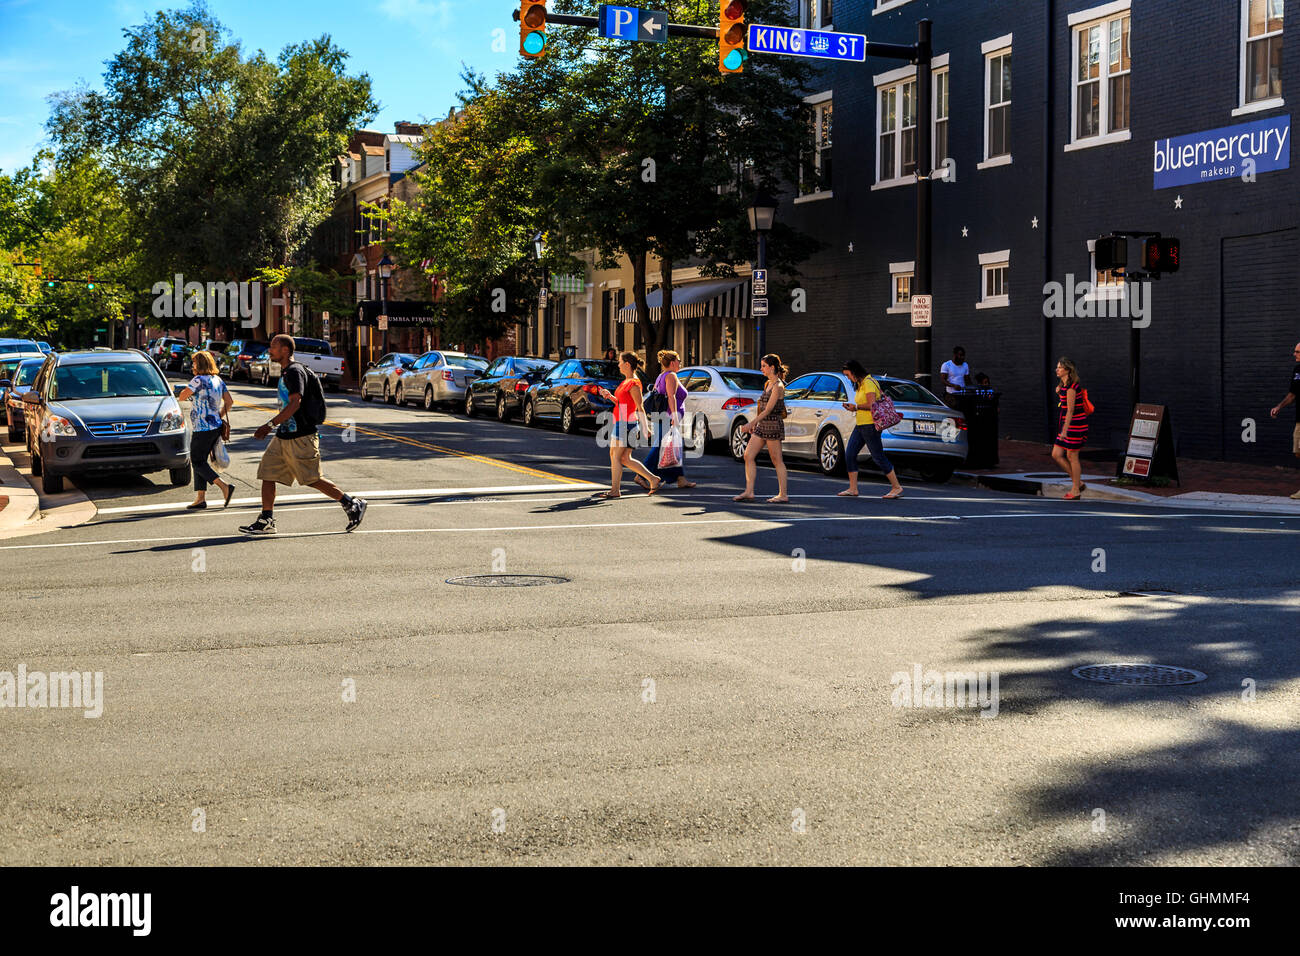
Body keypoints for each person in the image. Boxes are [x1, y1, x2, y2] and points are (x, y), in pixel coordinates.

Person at [239, 334, 367, 535]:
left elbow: (295, 402)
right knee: (268, 473)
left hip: (301, 436)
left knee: (312, 479)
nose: (270, 350)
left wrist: (269, 424)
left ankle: (351, 503)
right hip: (284, 436)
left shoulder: (293, 371)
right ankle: (266, 519)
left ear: (285, 350)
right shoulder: (287, 371)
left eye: (273, 347)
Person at [595, 351, 661, 499]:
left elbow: (640, 406)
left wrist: (646, 427)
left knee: (615, 456)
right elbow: (622, 403)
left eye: (620, 362)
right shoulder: (626, 381)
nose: (618, 365)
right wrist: (610, 396)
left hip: (627, 424)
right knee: (624, 458)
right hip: (622, 421)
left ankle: (614, 490)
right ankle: (653, 479)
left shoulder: (634, 383)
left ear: (627, 364)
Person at [176, 350, 235, 510]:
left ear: (199, 364)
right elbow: (229, 402)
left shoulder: (198, 380)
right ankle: (200, 498)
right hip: (214, 426)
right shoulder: (218, 379)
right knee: (200, 459)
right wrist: (218, 415)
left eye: (194, 362)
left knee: (197, 460)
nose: (193, 365)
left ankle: (224, 486)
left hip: (202, 428)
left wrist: (186, 390)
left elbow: (182, 396)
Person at [838, 359, 904, 499]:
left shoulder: (868, 383)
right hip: (861, 424)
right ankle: (853, 488)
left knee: (878, 457)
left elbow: (871, 405)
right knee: (849, 454)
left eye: (848, 375)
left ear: (855, 372)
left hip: (870, 425)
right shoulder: (861, 384)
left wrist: (855, 407)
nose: (848, 378)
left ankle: (896, 487)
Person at [635, 350, 697, 491]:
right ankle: (641, 475)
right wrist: (674, 416)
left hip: (661, 416)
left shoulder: (661, 376)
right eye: (679, 361)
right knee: (662, 448)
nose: (680, 363)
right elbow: (671, 397)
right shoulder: (671, 376)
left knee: (673, 446)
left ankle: (680, 479)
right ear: (673, 362)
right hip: (668, 417)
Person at [733, 353, 790, 503]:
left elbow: (768, 410)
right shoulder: (767, 384)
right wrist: (756, 425)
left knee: (776, 459)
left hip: (772, 425)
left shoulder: (778, 386)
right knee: (748, 455)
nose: (761, 369)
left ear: (772, 367)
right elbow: (761, 408)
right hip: (762, 425)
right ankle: (749, 491)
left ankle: (783, 495)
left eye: (764, 366)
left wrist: (750, 423)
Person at [1050, 357, 1088, 500]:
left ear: (1067, 370)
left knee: (1072, 456)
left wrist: (1065, 430)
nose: (1057, 370)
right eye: (1057, 367)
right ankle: (1078, 483)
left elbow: (1071, 411)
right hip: (1066, 425)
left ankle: (1075, 490)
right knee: (1056, 454)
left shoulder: (1072, 388)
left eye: (1059, 367)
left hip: (1075, 425)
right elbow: (1064, 405)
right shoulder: (1064, 387)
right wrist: (1059, 393)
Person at [1269, 342, 1300, 499]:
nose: (1294, 354)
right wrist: (1279, 406)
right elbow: (1292, 394)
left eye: (1297, 351)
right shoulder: (1297, 370)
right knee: (1297, 452)